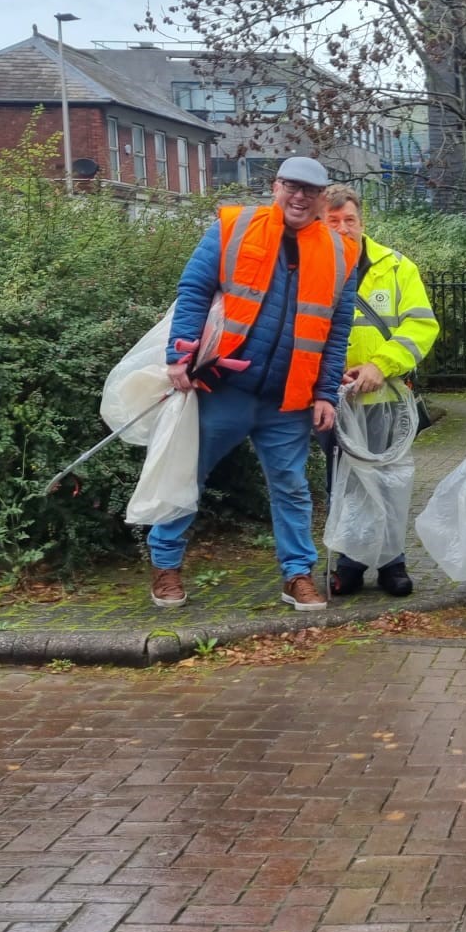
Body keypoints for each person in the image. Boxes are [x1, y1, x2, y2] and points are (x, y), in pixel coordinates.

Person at [147, 156, 359, 612]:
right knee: (187, 476)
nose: (300, 197)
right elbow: (194, 290)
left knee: (292, 487)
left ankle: (297, 575)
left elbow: (336, 331)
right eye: (292, 186)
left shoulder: (343, 253)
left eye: (310, 190)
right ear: (276, 186)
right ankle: (165, 566)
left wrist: (325, 393)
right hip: (224, 385)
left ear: (322, 198)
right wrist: (179, 357)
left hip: (290, 397)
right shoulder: (233, 226)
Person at [322, 185, 438, 597]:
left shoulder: (396, 267)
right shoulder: (308, 268)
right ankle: (350, 562)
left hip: (387, 400)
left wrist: (379, 365)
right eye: (332, 221)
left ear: (361, 222)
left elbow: (421, 325)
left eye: (348, 220)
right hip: (333, 401)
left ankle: (392, 563)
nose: (342, 228)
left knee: (389, 485)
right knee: (344, 486)